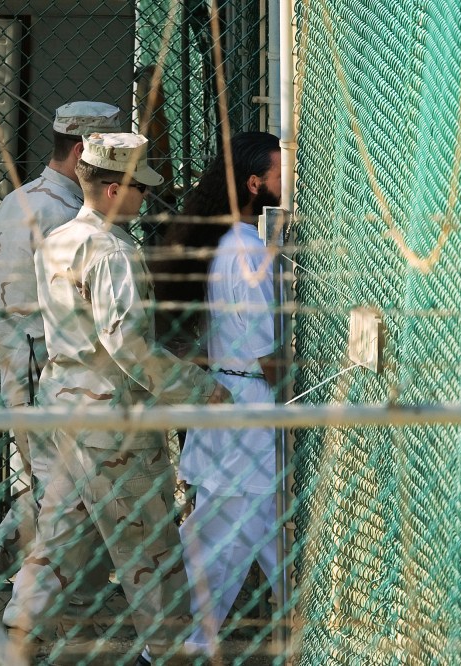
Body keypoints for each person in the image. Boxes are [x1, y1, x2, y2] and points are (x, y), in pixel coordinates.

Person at [1, 132, 230, 665]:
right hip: (113, 423)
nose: (145, 197)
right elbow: (127, 343)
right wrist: (201, 391)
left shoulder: (59, 239)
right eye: (138, 188)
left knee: (60, 535)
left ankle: (20, 635)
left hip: (65, 413)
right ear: (111, 190)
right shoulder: (112, 252)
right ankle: (172, 651)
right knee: (151, 548)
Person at [0, 101, 121, 628]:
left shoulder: (16, 202)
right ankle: (2, 595)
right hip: (52, 372)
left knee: (47, 489)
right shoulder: (62, 214)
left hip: (24, 367)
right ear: (84, 151)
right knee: (58, 491)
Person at [155, 131, 283, 660]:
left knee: (250, 518)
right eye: (278, 173)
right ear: (255, 184)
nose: (285, 181)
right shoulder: (246, 249)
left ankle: (289, 616)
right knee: (231, 526)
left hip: (229, 393)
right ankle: (186, 639)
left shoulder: (222, 241)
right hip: (246, 398)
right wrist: (290, 374)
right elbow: (264, 348)